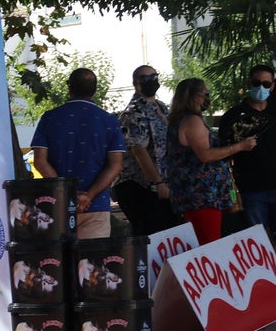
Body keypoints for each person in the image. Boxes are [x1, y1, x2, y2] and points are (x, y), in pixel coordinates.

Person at [31, 68, 126, 239]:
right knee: (92, 262)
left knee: (59, 262)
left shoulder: (49, 118)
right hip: (96, 207)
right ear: (95, 90)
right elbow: (116, 165)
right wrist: (88, 196)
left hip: (58, 205)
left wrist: (68, 194)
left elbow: (40, 162)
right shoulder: (109, 121)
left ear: (69, 88)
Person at [165, 78, 257, 245]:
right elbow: (205, 155)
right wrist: (240, 146)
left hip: (194, 194)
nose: (208, 97)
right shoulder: (192, 121)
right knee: (210, 244)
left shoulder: (178, 120)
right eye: (205, 94)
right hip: (202, 195)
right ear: (193, 97)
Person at [111, 66, 179, 235]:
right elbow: (138, 150)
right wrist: (158, 181)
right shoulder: (133, 112)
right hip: (140, 186)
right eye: (146, 78)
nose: (151, 81)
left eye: (154, 76)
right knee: (151, 236)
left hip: (162, 186)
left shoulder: (161, 108)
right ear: (136, 83)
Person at [217, 64, 276, 234]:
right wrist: (240, 146)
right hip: (251, 187)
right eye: (257, 83)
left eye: (266, 84)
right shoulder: (233, 116)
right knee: (258, 240)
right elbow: (223, 153)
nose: (261, 87)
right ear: (249, 82)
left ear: (272, 86)